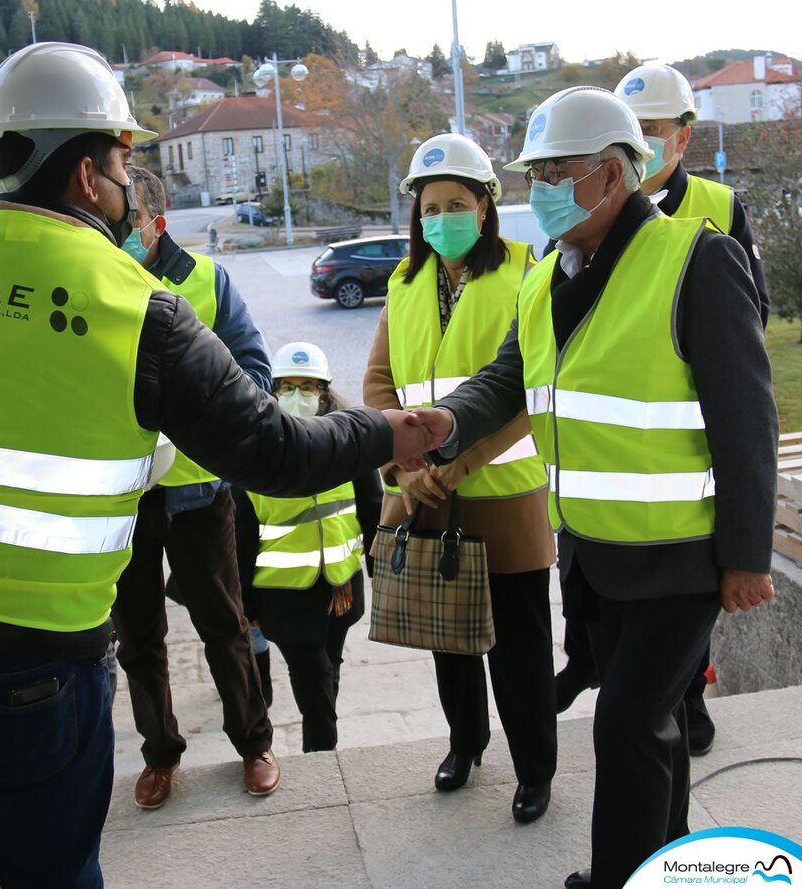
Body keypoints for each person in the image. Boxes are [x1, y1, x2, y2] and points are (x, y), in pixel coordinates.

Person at [0, 42, 441, 889]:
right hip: (33, 665)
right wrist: (390, 432)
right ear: (83, 176)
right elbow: (277, 450)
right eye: (120, 160)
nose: (124, 182)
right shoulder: (135, 306)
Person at [414, 86, 777, 889]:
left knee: (624, 727)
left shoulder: (696, 258)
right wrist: (438, 424)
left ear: (612, 177)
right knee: (656, 729)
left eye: (555, 170)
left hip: (680, 556)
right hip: (591, 555)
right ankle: (669, 857)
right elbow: (506, 379)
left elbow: (748, 420)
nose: (538, 187)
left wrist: (749, 557)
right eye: (534, 171)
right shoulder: (544, 274)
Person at [554, 66, 773, 744]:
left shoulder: (713, 212)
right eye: (635, 130)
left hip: (681, 513)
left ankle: (689, 716)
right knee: (643, 706)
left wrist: (747, 549)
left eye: (655, 131)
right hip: (601, 522)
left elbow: (745, 373)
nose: (646, 143)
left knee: (644, 709)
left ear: (682, 136)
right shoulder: (572, 231)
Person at [363, 133, 557, 824]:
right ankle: (465, 742)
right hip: (422, 495)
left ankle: (535, 767)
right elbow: (381, 382)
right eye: (429, 206)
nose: (440, 217)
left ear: (486, 207)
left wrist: (453, 463)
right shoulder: (404, 282)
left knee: (520, 646)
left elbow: (529, 389)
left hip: (502, 495)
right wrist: (401, 466)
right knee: (447, 638)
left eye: (455, 203)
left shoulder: (529, 274)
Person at [110, 164, 277, 810]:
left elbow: (255, 372)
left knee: (224, 624)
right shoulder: (96, 282)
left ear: (158, 220)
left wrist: (198, 415)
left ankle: (253, 743)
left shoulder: (206, 280)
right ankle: (159, 754)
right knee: (138, 635)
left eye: (127, 227)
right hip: (121, 496)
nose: (116, 237)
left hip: (197, 492)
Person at [234, 342, 382, 753]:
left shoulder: (350, 445)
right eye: (288, 386)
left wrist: (380, 572)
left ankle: (320, 749)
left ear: (325, 392)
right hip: (285, 599)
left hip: (340, 590)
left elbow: (372, 509)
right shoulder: (255, 456)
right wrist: (245, 607)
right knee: (315, 684)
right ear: (273, 391)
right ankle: (322, 757)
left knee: (329, 668)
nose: (298, 395)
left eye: (308, 386)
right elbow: (242, 537)